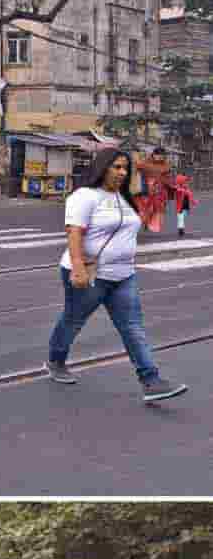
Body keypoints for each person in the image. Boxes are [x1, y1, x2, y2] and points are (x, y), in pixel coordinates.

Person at [46, 146, 187, 402]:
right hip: (92, 274)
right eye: (117, 167)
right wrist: (78, 268)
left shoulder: (124, 198)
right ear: (102, 168)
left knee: (132, 327)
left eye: (125, 168)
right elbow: (74, 232)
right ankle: (56, 361)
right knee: (73, 320)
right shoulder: (85, 196)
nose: (122, 172)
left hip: (123, 276)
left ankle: (151, 380)